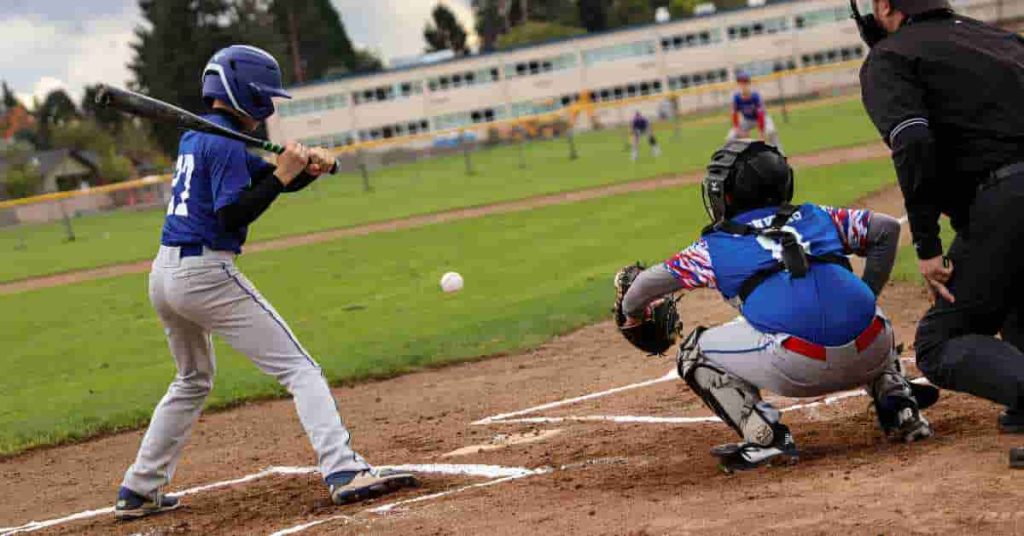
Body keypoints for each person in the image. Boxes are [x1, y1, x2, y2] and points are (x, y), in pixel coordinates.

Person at [114, 45, 417, 520]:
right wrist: (282, 174)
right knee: (302, 370)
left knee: (193, 379)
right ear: (246, 94)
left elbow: (264, 182)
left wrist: (304, 172)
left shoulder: (202, 138)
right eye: (265, 97)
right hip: (203, 273)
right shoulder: (223, 141)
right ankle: (343, 470)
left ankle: (139, 487)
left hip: (165, 273)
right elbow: (234, 210)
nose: (270, 107)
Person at [616, 140, 936, 472]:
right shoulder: (817, 215)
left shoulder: (713, 246)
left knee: (693, 351)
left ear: (726, 196)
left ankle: (764, 435)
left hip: (799, 366)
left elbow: (643, 287)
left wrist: (630, 313)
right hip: (874, 346)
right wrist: (867, 294)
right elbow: (885, 229)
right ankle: (899, 403)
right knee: (860, 305)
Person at [856, 0, 1024, 435]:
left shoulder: (891, 56)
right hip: (1006, 206)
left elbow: (912, 141)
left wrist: (927, 245)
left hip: (1008, 199)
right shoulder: (999, 39)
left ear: (884, 6)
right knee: (1011, 292)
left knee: (937, 343)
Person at [727, 72, 782, 152]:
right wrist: (738, 129)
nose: (743, 85)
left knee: (771, 131)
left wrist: (761, 132)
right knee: (731, 137)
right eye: (740, 83)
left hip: (762, 118)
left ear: (749, 84)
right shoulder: (737, 97)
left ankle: (780, 155)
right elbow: (734, 114)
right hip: (747, 120)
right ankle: (735, 159)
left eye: (745, 82)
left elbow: (761, 114)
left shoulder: (755, 96)